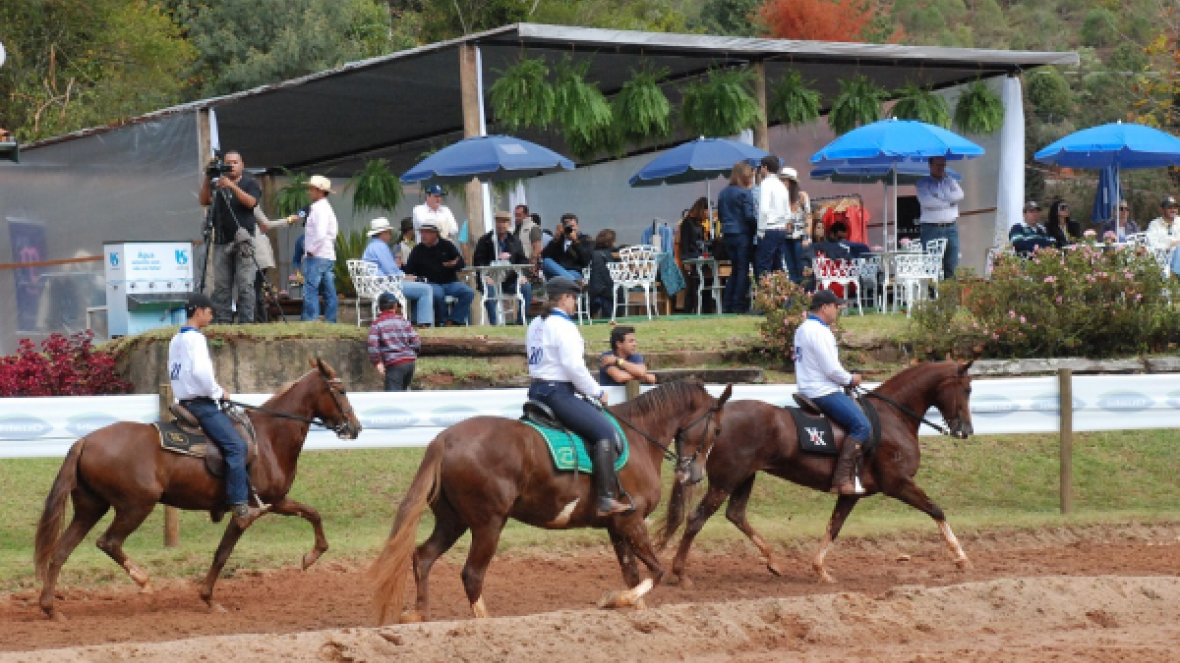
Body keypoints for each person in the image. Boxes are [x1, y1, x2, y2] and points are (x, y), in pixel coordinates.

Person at [526, 277, 632, 517]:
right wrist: (597, 392)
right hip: (558, 393)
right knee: (605, 433)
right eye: (574, 298)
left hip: (537, 390)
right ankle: (605, 499)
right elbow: (574, 367)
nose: (575, 304)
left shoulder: (535, 324)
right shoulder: (564, 326)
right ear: (564, 298)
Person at [168, 293, 268, 528]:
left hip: (184, 400)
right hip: (202, 403)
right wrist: (218, 392)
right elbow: (202, 374)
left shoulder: (176, 339)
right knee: (236, 447)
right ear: (199, 311)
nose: (212, 316)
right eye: (210, 312)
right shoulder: (196, 339)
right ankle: (239, 505)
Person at [793, 289, 869, 495]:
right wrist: (851, 379)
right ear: (825, 307)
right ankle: (842, 478)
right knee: (862, 425)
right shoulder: (819, 331)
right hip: (822, 390)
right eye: (836, 306)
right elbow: (832, 369)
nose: (837, 311)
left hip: (808, 386)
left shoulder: (802, 328)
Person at [200, 150, 262, 323]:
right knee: (221, 288)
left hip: (243, 241)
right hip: (221, 240)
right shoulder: (217, 184)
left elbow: (251, 203)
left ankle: (246, 323)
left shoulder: (250, 183)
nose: (232, 166)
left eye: (235, 162)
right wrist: (208, 177)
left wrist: (232, 186)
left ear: (242, 165)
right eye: (228, 163)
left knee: (245, 285)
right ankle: (223, 323)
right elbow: (204, 201)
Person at [361, 217, 435, 327]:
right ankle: (424, 323)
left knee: (418, 286)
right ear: (383, 233)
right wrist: (405, 276)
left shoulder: (372, 246)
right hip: (386, 284)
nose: (390, 234)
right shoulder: (387, 246)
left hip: (380, 282)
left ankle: (416, 321)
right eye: (389, 232)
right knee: (426, 289)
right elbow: (391, 270)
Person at [403, 220, 475, 326]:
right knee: (437, 293)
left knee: (468, 292)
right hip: (430, 283)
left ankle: (454, 320)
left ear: (435, 234)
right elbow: (409, 270)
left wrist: (454, 265)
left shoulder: (447, 245)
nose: (423, 235)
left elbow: (461, 264)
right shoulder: (417, 250)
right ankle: (442, 321)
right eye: (422, 232)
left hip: (449, 282)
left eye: (426, 232)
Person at [287, 175, 338, 322]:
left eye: (311, 189)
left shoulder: (317, 209)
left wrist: (311, 250)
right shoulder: (328, 209)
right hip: (328, 255)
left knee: (310, 290)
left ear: (319, 191)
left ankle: (312, 321)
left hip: (316, 256)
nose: (309, 192)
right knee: (329, 292)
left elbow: (320, 233)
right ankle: (330, 321)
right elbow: (332, 233)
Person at [473, 210, 533, 325]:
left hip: (509, 280)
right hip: (490, 280)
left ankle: (521, 322)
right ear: (495, 223)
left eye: (504, 222)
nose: (501, 225)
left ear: (509, 224)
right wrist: (485, 275)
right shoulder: (485, 240)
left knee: (526, 287)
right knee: (488, 290)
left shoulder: (514, 240)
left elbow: (522, 260)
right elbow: (478, 261)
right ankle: (494, 323)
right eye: (499, 222)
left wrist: (523, 276)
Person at [915, 156, 964, 279]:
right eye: (938, 165)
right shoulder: (923, 183)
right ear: (930, 166)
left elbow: (960, 195)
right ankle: (933, 296)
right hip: (932, 228)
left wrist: (940, 197)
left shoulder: (950, 181)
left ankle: (950, 295)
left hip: (951, 227)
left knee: (951, 264)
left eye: (943, 165)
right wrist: (949, 201)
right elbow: (927, 202)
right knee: (931, 265)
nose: (941, 168)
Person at [717, 161, 757, 314]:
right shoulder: (745, 193)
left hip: (728, 234)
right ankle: (738, 304)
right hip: (742, 234)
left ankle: (727, 303)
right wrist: (754, 229)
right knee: (742, 270)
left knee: (735, 269)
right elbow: (749, 216)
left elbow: (720, 215)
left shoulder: (723, 193)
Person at [368, 292, 420, 392]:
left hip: (394, 364)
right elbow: (416, 342)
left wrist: (377, 362)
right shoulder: (404, 321)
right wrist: (412, 354)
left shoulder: (377, 324)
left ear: (379, 307)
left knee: (392, 399)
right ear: (395, 306)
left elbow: (372, 346)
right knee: (403, 394)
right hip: (410, 364)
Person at [755, 155, 792, 284]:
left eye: (761, 168)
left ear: (765, 168)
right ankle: (782, 298)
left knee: (763, 265)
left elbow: (764, 209)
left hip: (769, 228)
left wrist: (760, 231)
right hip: (781, 228)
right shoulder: (781, 185)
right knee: (778, 266)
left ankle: (765, 298)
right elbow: (788, 212)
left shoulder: (765, 184)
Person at [541, 213, 591, 281]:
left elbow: (586, 260)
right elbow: (545, 255)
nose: (570, 229)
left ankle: (571, 282)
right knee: (547, 261)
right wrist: (556, 238)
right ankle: (574, 283)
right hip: (558, 271)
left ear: (577, 226)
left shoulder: (584, 239)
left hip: (575, 271)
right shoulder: (559, 240)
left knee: (566, 277)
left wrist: (575, 241)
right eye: (568, 227)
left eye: (572, 226)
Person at [1146, 196, 1180, 275]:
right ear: (1162, 210)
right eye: (1170, 207)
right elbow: (1152, 244)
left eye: (1175, 207)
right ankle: (1174, 276)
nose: (1173, 210)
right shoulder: (1154, 225)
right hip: (1164, 258)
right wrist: (1170, 245)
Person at [588, 229, 617, 317]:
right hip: (609, 290)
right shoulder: (614, 253)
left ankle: (595, 310)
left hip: (594, 289)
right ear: (611, 242)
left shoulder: (592, 253)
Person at [679, 197, 709, 262]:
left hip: (700, 255)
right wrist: (686, 259)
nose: (708, 213)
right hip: (692, 256)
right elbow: (684, 243)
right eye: (707, 210)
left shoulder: (700, 225)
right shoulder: (687, 222)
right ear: (702, 210)